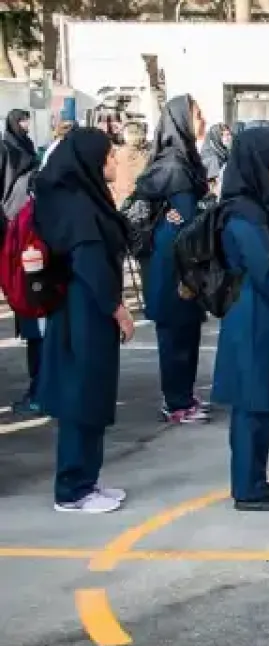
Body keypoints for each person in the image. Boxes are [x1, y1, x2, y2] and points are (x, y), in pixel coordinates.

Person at [33, 127, 134, 513]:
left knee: (92, 394)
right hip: (83, 312)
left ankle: (87, 481)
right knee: (81, 396)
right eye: (108, 156)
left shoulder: (88, 197)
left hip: (89, 310)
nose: (114, 161)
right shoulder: (77, 206)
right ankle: (71, 489)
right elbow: (90, 263)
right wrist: (117, 308)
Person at [210, 126, 269, 512]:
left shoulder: (257, 206)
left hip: (257, 311)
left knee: (261, 399)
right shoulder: (243, 213)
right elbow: (263, 272)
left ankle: (255, 478)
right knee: (251, 401)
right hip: (251, 313)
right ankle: (247, 488)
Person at [137, 95, 211, 424]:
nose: (203, 121)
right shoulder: (175, 167)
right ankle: (176, 401)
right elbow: (186, 216)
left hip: (179, 261)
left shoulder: (180, 161)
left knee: (187, 330)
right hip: (171, 266)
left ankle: (184, 394)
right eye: (197, 115)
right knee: (176, 334)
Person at [2, 109, 44, 417]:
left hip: (28, 250)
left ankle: (41, 389)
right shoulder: (7, 147)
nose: (27, 125)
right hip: (14, 232)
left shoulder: (27, 150)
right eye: (23, 120)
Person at [199, 123, 231, 191]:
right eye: (223, 135)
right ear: (216, 137)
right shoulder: (212, 157)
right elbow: (213, 187)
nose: (228, 138)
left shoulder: (223, 151)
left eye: (228, 134)